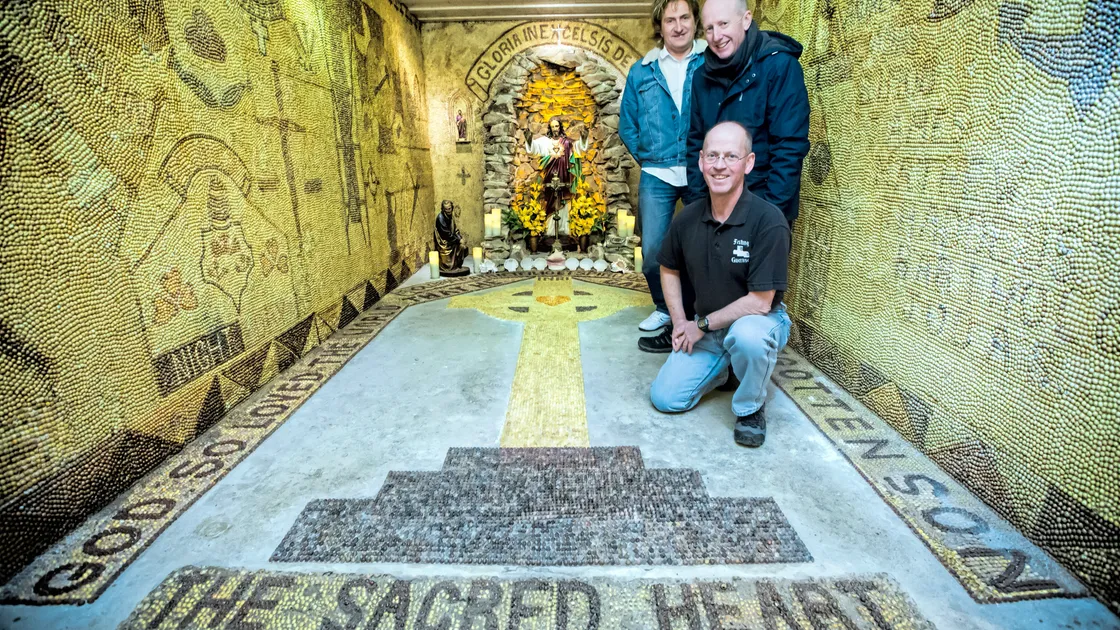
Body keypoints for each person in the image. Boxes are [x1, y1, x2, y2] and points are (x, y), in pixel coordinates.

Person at [650, 122, 791, 448]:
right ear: (700, 162)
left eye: (731, 156)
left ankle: (751, 407)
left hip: (760, 321)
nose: (720, 165)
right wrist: (680, 321)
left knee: (748, 337)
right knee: (665, 398)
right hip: (709, 326)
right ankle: (726, 369)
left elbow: (759, 301)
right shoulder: (688, 217)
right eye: (712, 156)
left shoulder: (768, 221)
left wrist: (700, 324)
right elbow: (668, 267)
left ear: (749, 163)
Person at [619, 0, 707, 342]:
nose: (678, 25)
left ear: (695, 21)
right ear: (660, 25)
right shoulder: (642, 71)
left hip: (702, 169)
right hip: (657, 173)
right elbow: (628, 125)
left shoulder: (710, 63)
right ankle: (665, 308)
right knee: (654, 250)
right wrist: (651, 157)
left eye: (685, 17)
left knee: (703, 247)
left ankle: (699, 314)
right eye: (670, 19)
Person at [684, 0, 810, 226]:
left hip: (764, 206)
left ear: (746, 20)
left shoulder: (780, 67)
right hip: (713, 210)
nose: (716, 35)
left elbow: (789, 148)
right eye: (709, 28)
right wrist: (697, 207)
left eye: (723, 24)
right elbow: (696, 142)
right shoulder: (701, 77)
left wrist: (770, 216)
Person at [523, 117, 589, 236]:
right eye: (553, 127)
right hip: (549, 176)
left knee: (563, 199)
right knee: (551, 201)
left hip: (564, 175)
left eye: (557, 126)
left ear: (560, 127)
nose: (555, 129)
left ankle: (564, 230)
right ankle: (550, 231)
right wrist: (529, 140)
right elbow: (534, 150)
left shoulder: (567, 142)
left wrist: (583, 139)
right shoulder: (544, 141)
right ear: (550, 128)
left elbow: (577, 150)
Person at [434, 200, 469, 276]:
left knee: (463, 247)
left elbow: (455, 230)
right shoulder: (440, 218)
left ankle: (457, 265)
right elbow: (446, 234)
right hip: (445, 242)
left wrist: (460, 238)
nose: (449, 211)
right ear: (443, 209)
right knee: (459, 246)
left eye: (450, 208)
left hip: (452, 240)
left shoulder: (451, 217)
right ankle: (451, 267)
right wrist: (459, 240)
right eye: (446, 209)